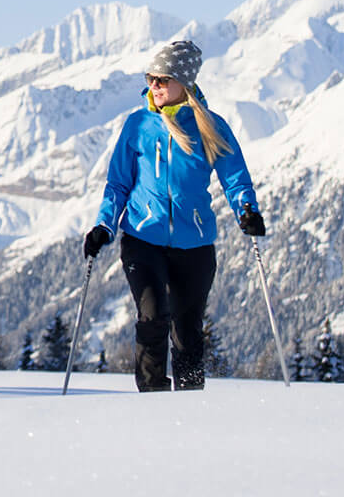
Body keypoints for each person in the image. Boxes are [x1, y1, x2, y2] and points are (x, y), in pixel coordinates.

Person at [83, 40, 261, 392]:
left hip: (194, 243)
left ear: (184, 82)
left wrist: (247, 210)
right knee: (152, 317)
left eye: (162, 79)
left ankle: (190, 404)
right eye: (151, 78)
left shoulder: (211, 126)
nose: (154, 86)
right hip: (142, 237)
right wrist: (104, 224)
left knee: (187, 329)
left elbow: (235, 177)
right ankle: (152, 399)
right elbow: (118, 183)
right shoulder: (138, 125)